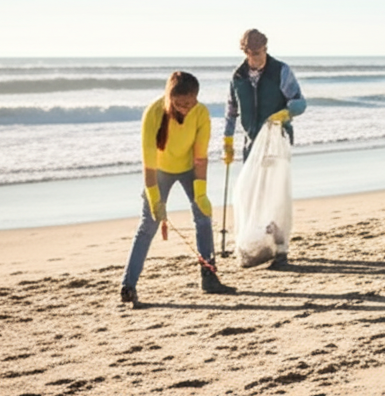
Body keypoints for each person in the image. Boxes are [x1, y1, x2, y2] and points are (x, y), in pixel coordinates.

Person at [120, 71, 236, 305]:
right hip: (159, 171)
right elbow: (149, 161)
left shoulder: (201, 113)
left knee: (203, 217)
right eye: (180, 103)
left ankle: (209, 277)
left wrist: (200, 193)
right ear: (169, 97)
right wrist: (154, 197)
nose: (185, 108)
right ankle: (128, 285)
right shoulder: (154, 112)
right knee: (148, 225)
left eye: (189, 103)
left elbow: (200, 157)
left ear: (196, 98)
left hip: (188, 169)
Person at [223, 29, 307, 269]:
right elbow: (231, 110)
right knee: (252, 194)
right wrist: (227, 140)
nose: (254, 58)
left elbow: (300, 102)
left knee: (276, 195)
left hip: (277, 139)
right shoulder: (238, 77)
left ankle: (281, 251)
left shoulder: (281, 71)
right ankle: (260, 244)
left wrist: (286, 113)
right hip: (251, 143)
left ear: (265, 49)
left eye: (257, 53)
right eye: (249, 53)